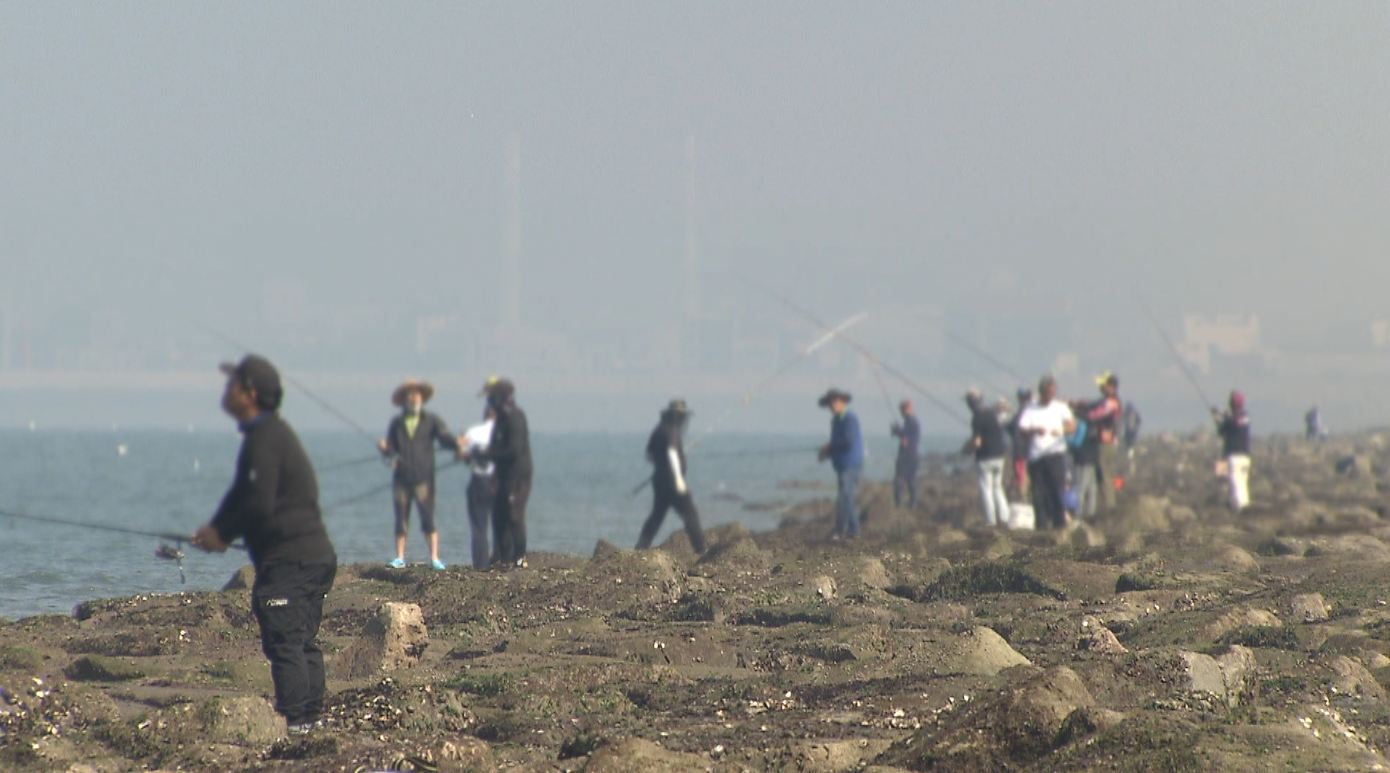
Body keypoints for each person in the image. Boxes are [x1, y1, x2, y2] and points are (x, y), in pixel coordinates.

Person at [192, 355, 336, 736]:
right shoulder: (268, 435)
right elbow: (242, 494)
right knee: (302, 641)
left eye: (233, 385)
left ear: (250, 394)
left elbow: (258, 502)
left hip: (292, 562)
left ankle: (297, 723)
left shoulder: (266, 439)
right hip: (310, 558)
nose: (226, 392)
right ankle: (310, 721)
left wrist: (221, 535)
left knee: (287, 642)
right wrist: (217, 530)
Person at [378, 379, 459, 570]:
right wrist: (385, 449)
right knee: (401, 518)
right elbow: (391, 450)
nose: (413, 398)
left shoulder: (431, 420)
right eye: (409, 395)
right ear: (405, 399)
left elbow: (445, 438)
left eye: (416, 394)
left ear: (422, 398)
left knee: (427, 517)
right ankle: (399, 557)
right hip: (401, 478)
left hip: (424, 478)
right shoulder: (396, 423)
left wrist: (458, 444)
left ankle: (434, 557)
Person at [466, 377, 532, 568]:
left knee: (514, 516)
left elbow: (513, 449)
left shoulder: (516, 418)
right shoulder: (500, 421)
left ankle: (520, 557)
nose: (490, 402)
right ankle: (503, 559)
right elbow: (496, 447)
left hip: (518, 478)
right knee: (499, 518)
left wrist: (489, 453)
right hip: (502, 477)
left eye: (493, 397)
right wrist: (483, 455)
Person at [636, 399, 707, 554]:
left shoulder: (659, 429)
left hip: (659, 481)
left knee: (656, 517)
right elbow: (672, 452)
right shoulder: (672, 430)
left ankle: (640, 549)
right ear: (677, 416)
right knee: (690, 515)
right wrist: (678, 479)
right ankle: (701, 550)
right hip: (672, 483)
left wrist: (661, 464)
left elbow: (649, 455)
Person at [1017, 375, 1075, 530]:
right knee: (1038, 494)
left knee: (1057, 490)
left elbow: (1072, 426)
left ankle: (1059, 524)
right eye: (1047, 392)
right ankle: (1041, 525)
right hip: (1037, 458)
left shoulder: (1060, 407)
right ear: (1041, 391)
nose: (1050, 395)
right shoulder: (1031, 408)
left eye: (1052, 392)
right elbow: (1022, 429)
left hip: (1056, 455)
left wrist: (1061, 430)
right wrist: (1035, 430)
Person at [817, 388, 863, 539]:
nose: (832, 406)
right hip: (841, 464)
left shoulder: (849, 418)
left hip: (851, 464)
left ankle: (848, 530)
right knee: (845, 496)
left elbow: (847, 442)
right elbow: (837, 444)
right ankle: (845, 529)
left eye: (835, 402)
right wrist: (827, 452)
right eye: (830, 403)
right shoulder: (836, 420)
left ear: (842, 402)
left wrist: (829, 447)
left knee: (845, 497)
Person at [458, 406, 497, 570]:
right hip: (499, 482)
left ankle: (481, 565)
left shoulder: (474, 432)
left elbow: (462, 453)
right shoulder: (503, 433)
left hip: (479, 480)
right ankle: (502, 560)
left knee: (479, 526)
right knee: (500, 525)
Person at [965, 390, 1009, 527]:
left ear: (971, 404)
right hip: (1000, 456)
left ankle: (991, 521)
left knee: (986, 488)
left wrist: (967, 449)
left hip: (985, 458)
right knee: (998, 487)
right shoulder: (991, 413)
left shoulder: (977, 417)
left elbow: (977, 442)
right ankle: (1004, 518)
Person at [1083, 373, 1122, 512]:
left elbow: (1095, 415)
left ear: (1112, 387)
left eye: (1103, 385)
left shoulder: (1111, 403)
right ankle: (1109, 504)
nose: (1100, 388)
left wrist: (1083, 413)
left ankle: (1110, 506)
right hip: (1107, 442)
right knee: (1106, 474)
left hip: (1106, 443)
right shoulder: (1108, 401)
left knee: (1105, 475)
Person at [1213, 391, 1252, 512]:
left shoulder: (1230, 419)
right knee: (1242, 483)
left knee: (1235, 483)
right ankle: (1244, 507)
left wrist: (1218, 419)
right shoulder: (1246, 418)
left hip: (1233, 457)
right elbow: (1234, 422)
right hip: (1245, 457)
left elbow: (1221, 432)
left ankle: (1239, 509)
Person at [890, 400, 921, 509]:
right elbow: (906, 436)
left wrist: (896, 430)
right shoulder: (913, 421)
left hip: (906, 455)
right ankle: (913, 503)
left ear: (905, 409)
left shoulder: (910, 420)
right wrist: (898, 431)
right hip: (913, 454)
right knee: (911, 480)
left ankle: (899, 504)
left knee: (899, 479)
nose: (901, 413)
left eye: (902, 410)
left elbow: (904, 435)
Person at [1006, 388, 1033, 500]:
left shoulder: (1020, 414)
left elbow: (1009, 427)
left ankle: (1023, 498)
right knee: (1027, 475)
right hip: (1031, 451)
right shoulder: (1032, 411)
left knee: (1021, 476)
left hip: (1021, 450)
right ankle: (1025, 497)